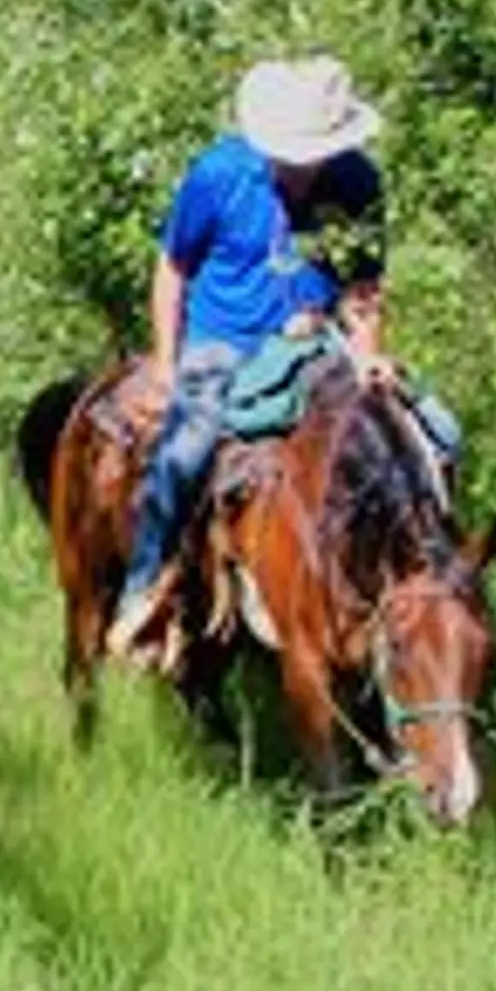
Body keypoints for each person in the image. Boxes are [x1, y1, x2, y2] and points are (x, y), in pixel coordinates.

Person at [105, 55, 393, 667]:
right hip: (224, 340)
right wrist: (165, 361)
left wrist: (369, 356)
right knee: (186, 450)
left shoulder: (359, 182)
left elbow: (365, 286)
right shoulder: (218, 174)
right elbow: (172, 266)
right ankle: (144, 590)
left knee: (430, 435)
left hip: (318, 344)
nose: (305, 164)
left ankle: (410, 594)